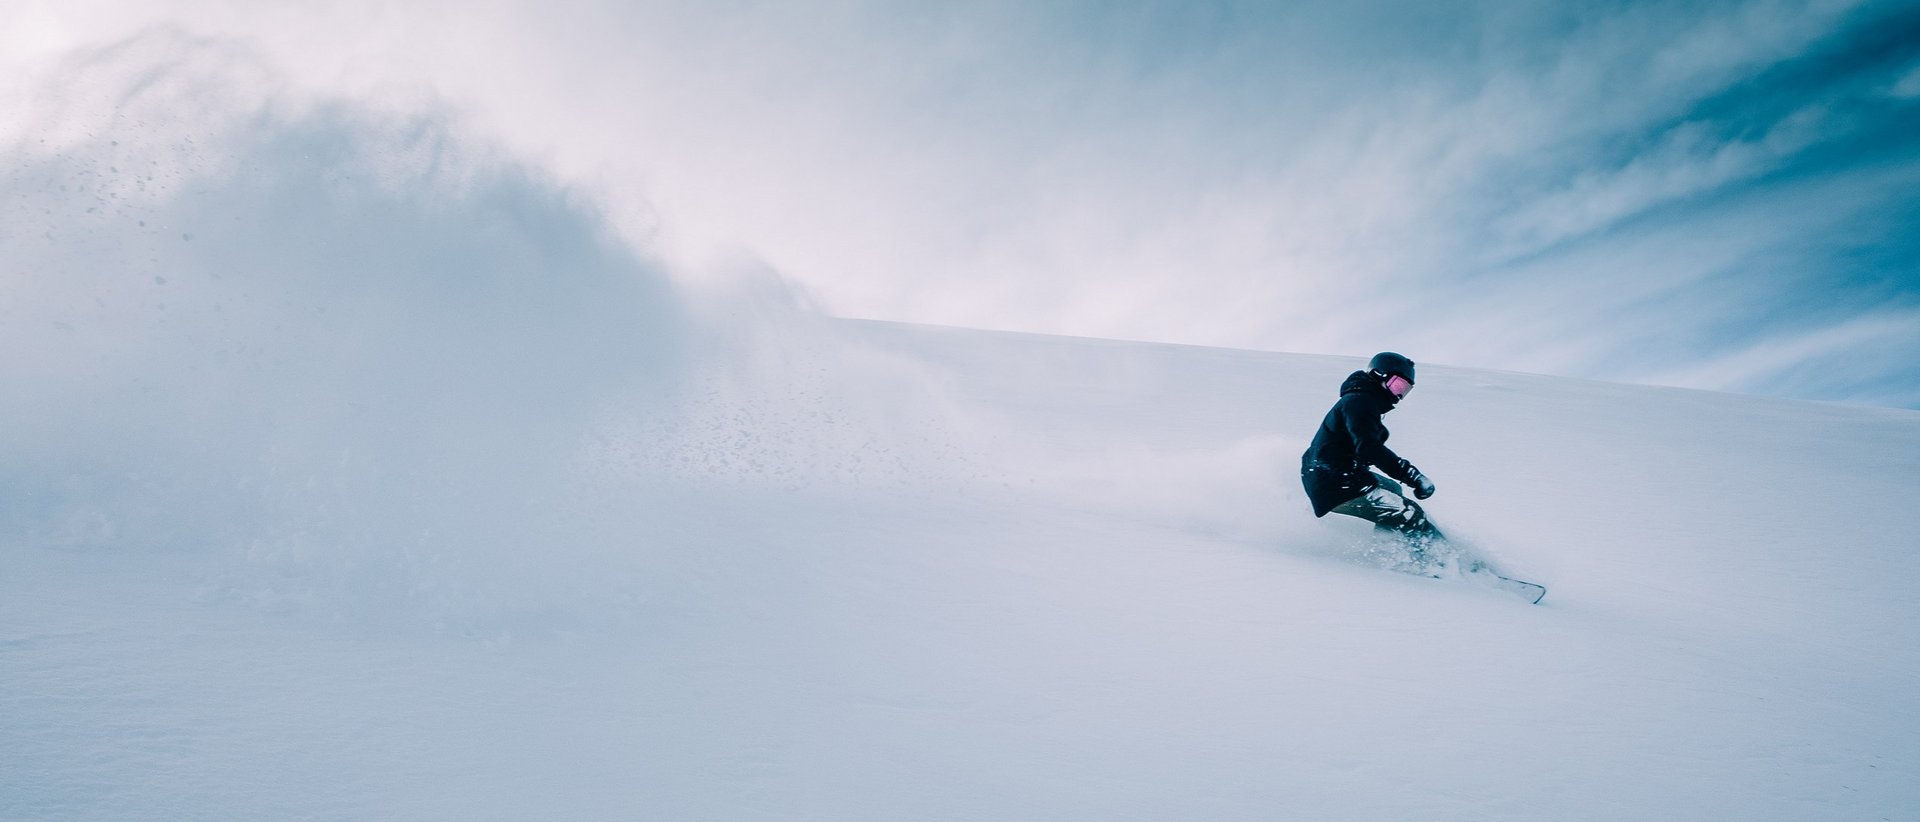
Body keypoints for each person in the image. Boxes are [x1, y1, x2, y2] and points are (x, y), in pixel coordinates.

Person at [1300, 352, 1440, 546]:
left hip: (1335, 475)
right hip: (1336, 481)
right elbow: (1369, 448)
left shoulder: (1361, 402)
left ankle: (1390, 546)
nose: (1398, 396)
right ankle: (1443, 565)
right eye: (1397, 385)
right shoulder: (1359, 403)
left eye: (1404, 390)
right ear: (1378, 375)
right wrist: (1412, 475)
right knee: (1410, 513)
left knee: (1393, 489)